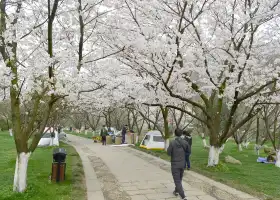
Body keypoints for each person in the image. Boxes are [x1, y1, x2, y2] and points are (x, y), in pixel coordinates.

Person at [167, 129, 189, 200]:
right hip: (182, 164)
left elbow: (168, 153)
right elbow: (189, 151)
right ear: (182, 134)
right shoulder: (185, 142)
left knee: (177, 180)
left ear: (175, 134)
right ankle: (176, 191)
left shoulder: (172, 143)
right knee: (179, 179)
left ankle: (183, 196)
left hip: (175, 164)